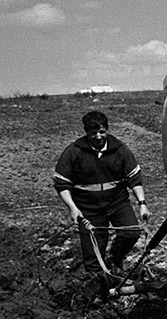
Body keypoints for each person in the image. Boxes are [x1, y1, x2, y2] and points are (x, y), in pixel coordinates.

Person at [53, 111, 151, 278]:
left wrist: (142, 204)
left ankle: (115, 259)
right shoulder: (74, 152)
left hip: (117, 203)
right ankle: (98, 290)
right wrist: (72, 208)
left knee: (131, 233)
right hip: (88, 208)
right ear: (86, 132)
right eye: (93, 133)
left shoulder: (120, 149)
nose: (98, 136)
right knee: (93, 253)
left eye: (102, 132)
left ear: (107, 130)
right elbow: (61, 184)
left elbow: (134, 179)